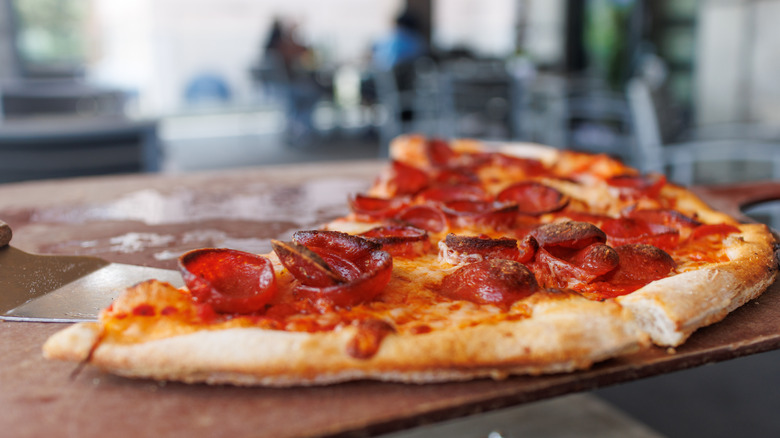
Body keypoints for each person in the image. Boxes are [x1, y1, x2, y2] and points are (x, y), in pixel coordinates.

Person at [260, 18, 323, 145]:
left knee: (312, 91)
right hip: (289, 88)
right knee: (315, 92)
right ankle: (303, 129)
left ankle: (301, 128)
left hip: (282, 87)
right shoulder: (283, 46)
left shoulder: (274, 46)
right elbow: (305, 54)